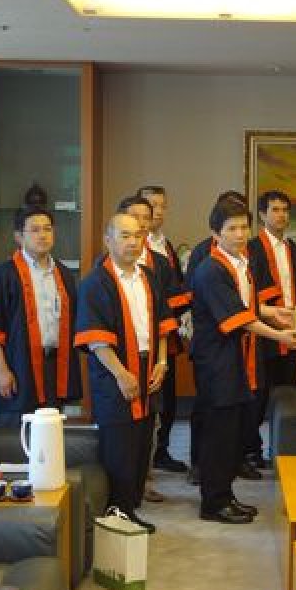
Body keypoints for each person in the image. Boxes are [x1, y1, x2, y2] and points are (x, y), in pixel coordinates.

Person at [189, 198, 296, 523]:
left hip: (240, 359)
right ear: (216, 233)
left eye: (243, 227)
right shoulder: (211, 270)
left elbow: (247, 307)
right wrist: (279, 335)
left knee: (233, 432)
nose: (240, 234)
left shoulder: (241, 264)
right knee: (219, 434)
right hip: (218, 362)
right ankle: (213, 503)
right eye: (231, 229)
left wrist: (272, 311)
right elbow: (238, 318)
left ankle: (225, 494)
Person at [74, 212, 177, 533]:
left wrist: (162, 362)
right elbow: (95, 339)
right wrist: (121, 373)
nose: (133, 242)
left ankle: (130, 510)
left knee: (142, 445)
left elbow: (163, 324)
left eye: (138, 235)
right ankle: (116, 514)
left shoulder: (149, 276)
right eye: (125, 235)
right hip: (115, 372)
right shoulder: (95, 282)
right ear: (108, 240)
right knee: (119, 448)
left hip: (149, 368)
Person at [0, 205, 82, 427]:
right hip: (18, 365)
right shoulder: (3, 275)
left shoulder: (64, 274)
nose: (43, 235)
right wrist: (2, 371)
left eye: (48, 229)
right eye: (35, 230)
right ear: (19, 236)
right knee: (16, 434)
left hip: (54, 364)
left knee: (49, 432)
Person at [118, 195, 189, 503]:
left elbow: (169, 308)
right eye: (133, 217)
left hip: (155, 353)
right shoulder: (106, 266)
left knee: (153, 419)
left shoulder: (159, 263)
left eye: (145, 218)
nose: (141, 223)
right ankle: (121, 489)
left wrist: (162, 358)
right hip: (120, 358)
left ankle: (145, 480)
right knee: (123, 425)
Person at [246, 189, 296, 468]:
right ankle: (251, 450)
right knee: (258, 394)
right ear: (262, 214)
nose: (281, 215)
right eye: (275, 210)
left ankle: (281, 448)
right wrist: (277, 321)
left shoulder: (293, 248)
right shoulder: (252, 247)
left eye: (285, 210)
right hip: (264, 332)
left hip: (291, 332)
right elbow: (251, 293)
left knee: (285, 392)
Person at [137, 185, 188, 473]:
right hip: (141, 337)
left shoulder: (165, 247)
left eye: (161, 206)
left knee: (168, 399)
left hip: (166, 336)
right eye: (150, 206)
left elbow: (175, 289)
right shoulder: (131, 249)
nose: (156, 212)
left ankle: (162, 451)